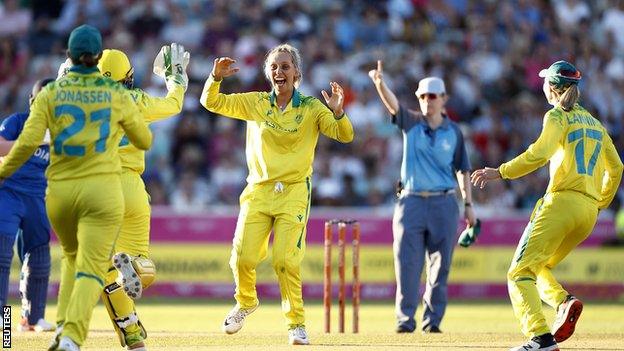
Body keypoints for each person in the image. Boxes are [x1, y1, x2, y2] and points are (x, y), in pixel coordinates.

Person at [0, 24, 152, 351]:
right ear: (98, 57)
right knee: (92, 268)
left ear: (68, 55)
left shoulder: (51, 93)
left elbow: (24, 145)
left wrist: (3, 173)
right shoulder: (116, 94)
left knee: (71, 260)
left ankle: (61, 331)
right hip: (102, 189)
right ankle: (71, 337)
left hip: (61, 192)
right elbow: (144, 139)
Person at [200, 43, 354, 345]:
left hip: (294, 192)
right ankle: (245, 302)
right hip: (258, 191)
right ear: (268, 73)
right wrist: (215, 78)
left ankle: (295, 324)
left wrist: (337, 112)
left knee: (285, 260)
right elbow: (211, 103)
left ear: (297, 72)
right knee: (242, 259)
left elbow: (345, 135)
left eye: (285, 66)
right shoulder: (256, 102)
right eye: (274, 66)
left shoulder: (311, 108)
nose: (279, 71)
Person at [471, 60, 623, 351]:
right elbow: (616, 169)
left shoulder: (557, 116)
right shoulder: (595, 123)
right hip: (588, 212)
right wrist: (599, 203)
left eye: (544, 82)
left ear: (552, 87)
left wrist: (500, 171)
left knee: (519, 273)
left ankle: (540, 337)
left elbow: (539, 153)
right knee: (539, 267)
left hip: (561, 203)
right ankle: (563, 302)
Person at [368, 60, 477, 333]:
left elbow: (463, 170)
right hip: (412, 201)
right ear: (419, 98)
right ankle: (405, 320)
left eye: (433, 96)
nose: (428, 100)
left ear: (444, 99)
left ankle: (433, 321)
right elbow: (393, 105)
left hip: (444, 202)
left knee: (440, 268)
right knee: (407, 266)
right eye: (424, 96)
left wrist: (468, 205)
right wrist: (380, 83)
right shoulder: (412, 122)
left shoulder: (454, 132)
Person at [96, 45, 188, 350]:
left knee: (104, 271)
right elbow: (174, 104)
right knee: (140, 260)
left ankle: (132, 336)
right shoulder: (136, 99)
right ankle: (133, 270)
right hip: (133, 188)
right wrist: (175, 78)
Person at [0, 78, 55, 333]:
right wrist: (36, 140)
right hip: (8, 192)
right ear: (32, 101)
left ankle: (33, 318)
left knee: (40, 256)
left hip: (38, 198)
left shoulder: (62, 131)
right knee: (1, 251)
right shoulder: (17, 122)